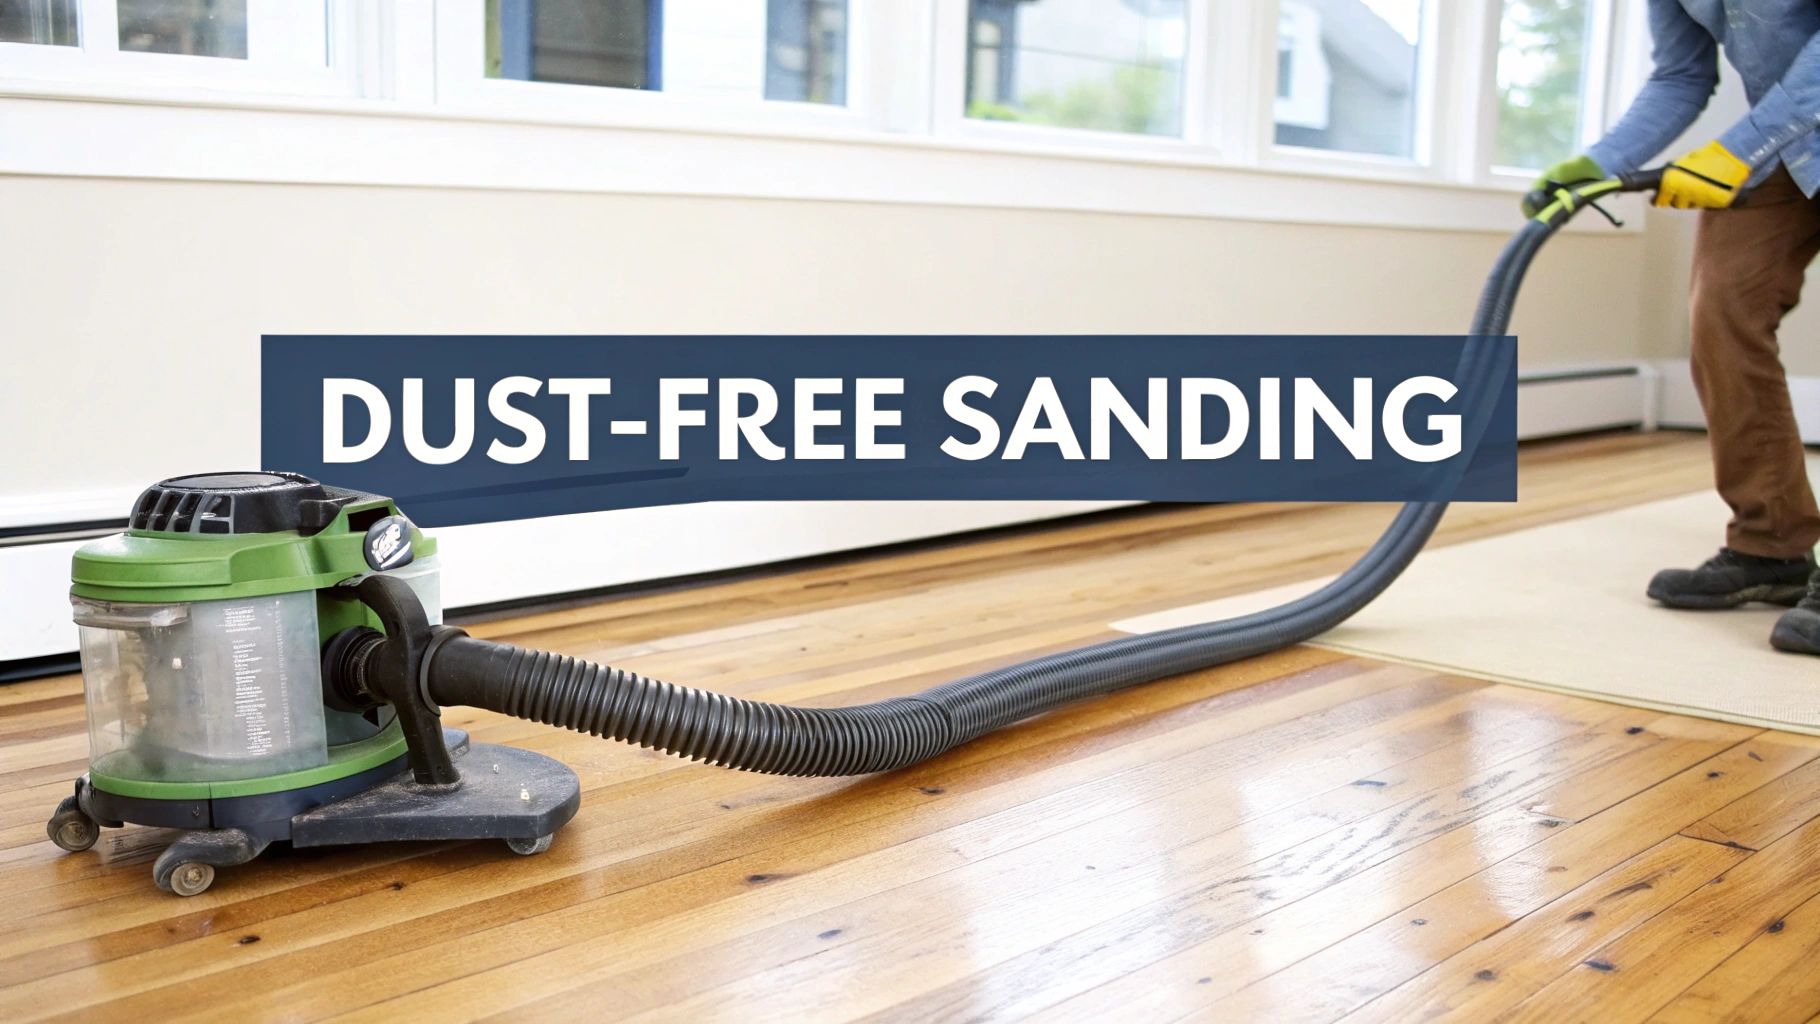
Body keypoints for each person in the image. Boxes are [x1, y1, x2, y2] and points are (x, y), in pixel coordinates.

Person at [1525, 1, 1820, 655]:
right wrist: (1603, 162)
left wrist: (1738, 150)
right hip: (1789, 138)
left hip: (1779, 129)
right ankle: (1770, 546)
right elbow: (1681, 75)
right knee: (1723, 309)